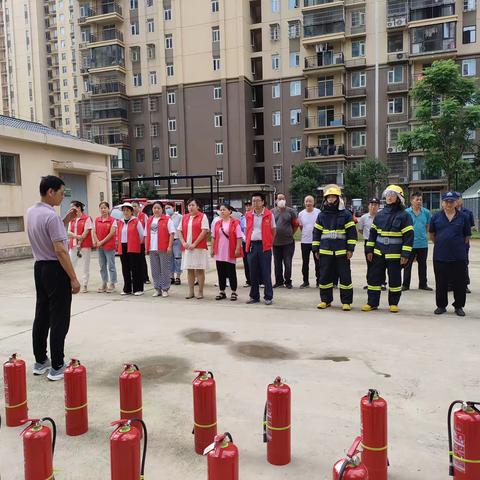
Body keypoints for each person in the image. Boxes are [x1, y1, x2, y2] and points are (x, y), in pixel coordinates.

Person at [26, 175, 80, 381]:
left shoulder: (32, 212)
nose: (62, 196)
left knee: (42, 314)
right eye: (61, 192)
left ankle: (40, 361)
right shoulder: (51, 217)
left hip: (39, 267)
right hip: (55, 270)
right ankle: (58, 365)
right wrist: (73, 278)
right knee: (59, 318)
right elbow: (60, 250)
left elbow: (46, 235)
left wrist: (65, 220)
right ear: (50, 192)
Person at [362, 185, 413, 313]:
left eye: (393, 195)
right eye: (388, 195)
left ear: (399, 198)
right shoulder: (380, 214)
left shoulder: (404, 215)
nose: (389, 197)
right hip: (378, 253)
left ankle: (393, 303)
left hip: (395, 255)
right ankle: (372, 303)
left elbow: (408, 237)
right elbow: (372, 233)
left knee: (395, 279)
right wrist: (369, 250)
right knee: (374, 279)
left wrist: (405, 254)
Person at [312, 185, 357, 311]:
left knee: (345, 276)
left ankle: (346, 302)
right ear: (326, 199)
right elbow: (316, 233)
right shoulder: (322, 215)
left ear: (338, 198)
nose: (331, 199)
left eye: (333, 197)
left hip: (341, 251)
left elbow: (352, 233)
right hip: (325, 250)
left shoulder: (346, 214)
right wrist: (315, 249)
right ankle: (325, 300)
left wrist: (350, 249)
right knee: (325, 276)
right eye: (329, 197)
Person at [430, 191, 471, 316]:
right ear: (443, 203)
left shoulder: (463, 217)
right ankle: (441, 306)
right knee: (441, 282)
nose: (449, 204)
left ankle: (459, 306)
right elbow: (432, 235)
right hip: (440, 255)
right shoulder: (435, 217)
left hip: (459, 256)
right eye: (447, 201)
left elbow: (467, 236)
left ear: (456, 202)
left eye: (451, 201)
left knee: (460, 282)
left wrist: (456, 245)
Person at [245, 192, 276, 305]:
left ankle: (268, 296)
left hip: (264, 246)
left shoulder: (268, 214)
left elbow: (273, 230)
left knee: (265, 272)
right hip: (252, 246)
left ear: (263, 202)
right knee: (253, 272)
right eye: (253, 201)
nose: (255, 203)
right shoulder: (248, 214)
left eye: (258, 200)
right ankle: (254, 296)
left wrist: (269, 242)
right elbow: (247, 230)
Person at [177, 198, 210, 299]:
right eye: (189, 205)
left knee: (199, 269)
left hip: (198, 247)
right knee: (190, 269)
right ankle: (191, 292)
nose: (190, 207)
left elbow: (204, 231)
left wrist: (194, 244)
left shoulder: (202, 216)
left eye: (192, 205)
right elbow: (179, 231)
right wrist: (183, 242)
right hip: (187, 247)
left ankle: (200, 291)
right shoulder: (184, 217)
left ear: (198, 206)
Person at [211, 204, 243, 301]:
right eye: (221, 210)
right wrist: (212, 249)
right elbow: (213, 237)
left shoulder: (235, 223)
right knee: (221, 272)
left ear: (230, 211)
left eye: (224, 210)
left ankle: (234, 291)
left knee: (231, 272)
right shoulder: (217, 223)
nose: (222, 212)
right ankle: (222, 291)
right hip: (219, 251)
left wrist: (237, 249)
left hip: (230, 251)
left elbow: (239, 237)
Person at [146, 201, 175, 297]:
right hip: (152, 248)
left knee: (164, 269)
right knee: (155, 270)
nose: (156, 210)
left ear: (162, 209)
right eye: (154, 208)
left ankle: (165, 288)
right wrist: (147, 248)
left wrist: (170, 246)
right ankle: (157, 288)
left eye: (158, 208)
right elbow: (146, 235)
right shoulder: (149, 220)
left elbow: (171, 233)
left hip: (163, 248)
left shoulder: (167, 220)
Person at [357, 198, 385, 290]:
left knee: (381, 263)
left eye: (376, 205)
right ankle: (370, 283)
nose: (373, 207)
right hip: (368, 242)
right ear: (369, 206)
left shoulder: (382, 216)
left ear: (378, 206)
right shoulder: (364, 218)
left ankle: (382, 283)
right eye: (372, 204)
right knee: (370, 263)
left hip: (379, 242)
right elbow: (360, 230)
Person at [117, 202, 145, 296]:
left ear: (131, 211)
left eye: (127, 210)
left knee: (135, 268)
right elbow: (118, 235)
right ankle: (127, 289)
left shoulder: (136, 221)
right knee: (125, 269)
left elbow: (141, 235)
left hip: (133, 247)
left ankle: (138, 288)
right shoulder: (120, 222)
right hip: (123, 247)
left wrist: (135, 242)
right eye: (124, 210)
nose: (125, 212)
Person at [272, 193, 298, 289]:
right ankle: (279, 281)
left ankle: (288, 281)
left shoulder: (291, 211)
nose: (281, 200)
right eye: (279, 198)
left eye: (283, 198)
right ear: (276, 200)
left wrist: (291, 233)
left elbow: (295, 224)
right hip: (275, 243)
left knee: (288, 263)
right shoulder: (272, 212)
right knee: (277, 263)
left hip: (288, 243)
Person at [67, 200, 93, 293]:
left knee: (85, 266)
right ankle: (70, 284)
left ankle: (85, 284)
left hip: (85, 245)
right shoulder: (71, 219)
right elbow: (68, 232)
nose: (71, 209)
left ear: (78, 208)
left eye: (72, 207)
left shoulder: (87, 218)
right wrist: (77, 236)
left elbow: (86, 232)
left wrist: (79, 238)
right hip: (73, 245)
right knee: (70, 264)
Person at [93, 201, 117, 293]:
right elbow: (93, 231)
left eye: (105, 208)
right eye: (101, 208)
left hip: (109, 246)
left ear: (108, 209)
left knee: (111, 265)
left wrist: (102, 242)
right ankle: (104, 282)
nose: (103, 210)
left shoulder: (112, 220)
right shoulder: (97, 220)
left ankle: (112, 283)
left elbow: (111, 233)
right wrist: (97, 242)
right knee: (102, 265)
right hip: (100, 246)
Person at [298, 195, 320, 289]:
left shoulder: (318, 212)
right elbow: (301, 227)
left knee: (318, 262)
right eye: (306, 201)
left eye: (310, 201)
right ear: (304, 203)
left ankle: (319, 281)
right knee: (305, 263)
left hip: (316, 242)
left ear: (313, 202)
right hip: (305, 242)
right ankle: (305, 281)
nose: (308, 203)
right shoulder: (301, 214)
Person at [457, 193, 475, 293]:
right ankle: (450, 285)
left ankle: (465, 285)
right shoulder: (445, 213)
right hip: (451, 244)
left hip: (463, 244)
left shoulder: (467, 213)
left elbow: (470, 228)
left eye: (458, 199)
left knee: (464, 264)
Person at [132, 200, 150, 284]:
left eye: (135, 206)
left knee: (142, 260)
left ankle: (145, 278)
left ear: (139, 207)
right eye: (132, 206)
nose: (134, 208)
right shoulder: (130, 217)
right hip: (132, 242)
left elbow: (147, 228)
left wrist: (146, 242)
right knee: (134, 261)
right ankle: (135, 277)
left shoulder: (143, 216)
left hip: (141, 242)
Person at [165, 203, 183, 285]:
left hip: (177, 240)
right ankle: (171, 276)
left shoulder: (179, 216)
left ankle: (178, 277)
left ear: (173, 207)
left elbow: (181, 228)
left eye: (169, 207)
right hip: (168, 241)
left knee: (177, 258)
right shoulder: (165, 217)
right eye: (166, 208)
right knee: (169, 259)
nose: (167, 209)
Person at [241, 200, 253, 287]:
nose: (248, 207)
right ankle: (248, 280)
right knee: (246, 262)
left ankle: (259, 280)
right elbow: (240, 230)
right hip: (245, 242)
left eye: (249, 205)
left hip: (253, 241)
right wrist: (244, 238)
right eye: (246, 206)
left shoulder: (254, 216)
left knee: (255, 261)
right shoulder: (242, 217)